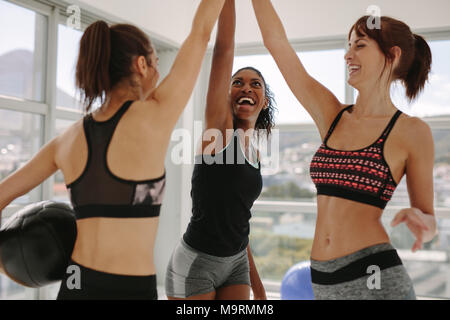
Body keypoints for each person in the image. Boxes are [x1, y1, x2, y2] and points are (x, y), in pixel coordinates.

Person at [0, 0, 226, 300]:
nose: (158, 74)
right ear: (141, 65)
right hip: (130, 289)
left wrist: (8, 260)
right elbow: (201, 32)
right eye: (156, 63)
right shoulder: (154, 115)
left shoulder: (66, 140)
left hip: (76, 285)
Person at [252, 0, 437, 299]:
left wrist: (422, 223)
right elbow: (276, 44)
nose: (347, 55)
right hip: (322, 281)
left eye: (360, 45)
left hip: (376, 278)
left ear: (392, 55)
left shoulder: (412, 131)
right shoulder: (332, 115)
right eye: (348, 45)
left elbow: (430, 225)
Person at [165, 0, 276, 300]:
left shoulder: (255, 154)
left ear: (263, 101)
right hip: (197, 263)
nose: (246, 87)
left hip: (237, 262)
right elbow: (224, 49)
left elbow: (240, 223)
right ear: (226, 95)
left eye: (255, 84)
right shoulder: (220, 132)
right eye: (237, 82)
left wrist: (260, 288)